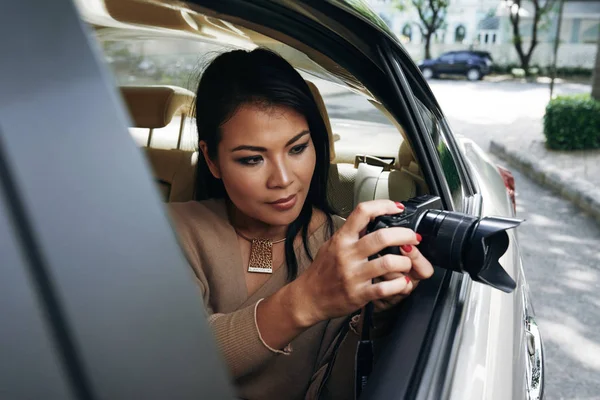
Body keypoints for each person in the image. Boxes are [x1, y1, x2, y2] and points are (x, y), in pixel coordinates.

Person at [168, 48, 434, 400]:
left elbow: (343, 389)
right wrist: (306, 300)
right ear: (212, 160)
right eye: (252, 159)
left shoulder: (350, 249)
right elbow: (168, 366)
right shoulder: (170, 231)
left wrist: (376, 317)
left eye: (297, 149)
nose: (282, 179)